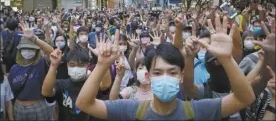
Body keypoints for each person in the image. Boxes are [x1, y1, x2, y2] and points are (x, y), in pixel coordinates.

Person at [76, 16, 255, 120]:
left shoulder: (198, 110)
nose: (165, 77)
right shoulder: (131, 110)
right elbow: (84, 103)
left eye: (172, 72)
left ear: (181, 76)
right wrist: (101, 65)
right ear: (147, 75)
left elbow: (245, 98)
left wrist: (227, 59)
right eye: (158, 72)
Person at [8, 24, 54, 120]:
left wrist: (34, 39)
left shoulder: (41, 63)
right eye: (25, 48)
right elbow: (10, 94)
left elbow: (52, 53)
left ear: (36, 50)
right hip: (18, 108)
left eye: (31, 49)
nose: (28, 51)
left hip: (38, 108)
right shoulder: (14, 69)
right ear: (20, 50)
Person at [41, 49, 92, 121]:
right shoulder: (61, 84)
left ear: (87, 65)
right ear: (67, 65)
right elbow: (46, 92)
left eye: (81, 65)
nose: (76, 68)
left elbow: (105, 85)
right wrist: (53, 65)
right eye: (72, 65)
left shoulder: (92, 85)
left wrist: (102, 62)